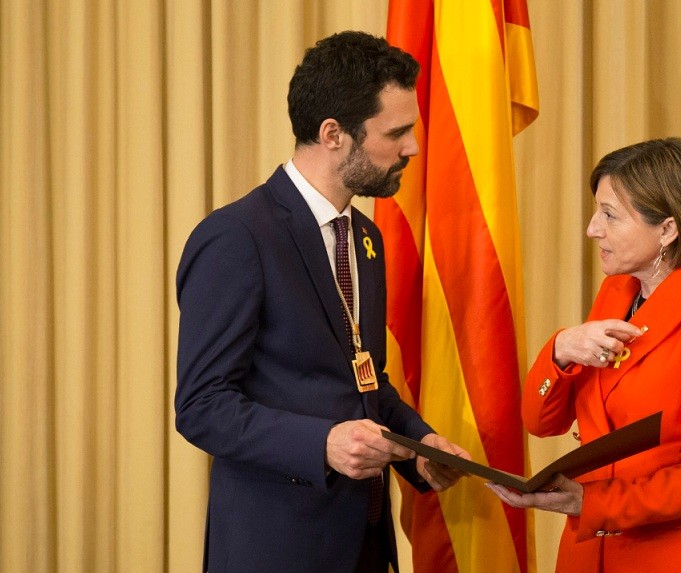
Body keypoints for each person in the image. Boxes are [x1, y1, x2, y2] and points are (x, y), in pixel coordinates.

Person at [175, 31, 468, 573]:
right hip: (277, 550)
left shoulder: (365, 239)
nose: (413, 148)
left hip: (365, 545)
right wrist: (322, 443)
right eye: (397, 132)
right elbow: (201, 407)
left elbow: (364, 381)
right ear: (333, 134)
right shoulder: (237, 237)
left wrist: (423, 446)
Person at [487, 138, 681, 572]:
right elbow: (540, 423)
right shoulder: (616, 291)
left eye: (610, 215)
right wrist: (560, 350)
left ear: (668, 229)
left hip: (670, 556)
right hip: (586, 555)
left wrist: (591, 501)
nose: (592, 228)